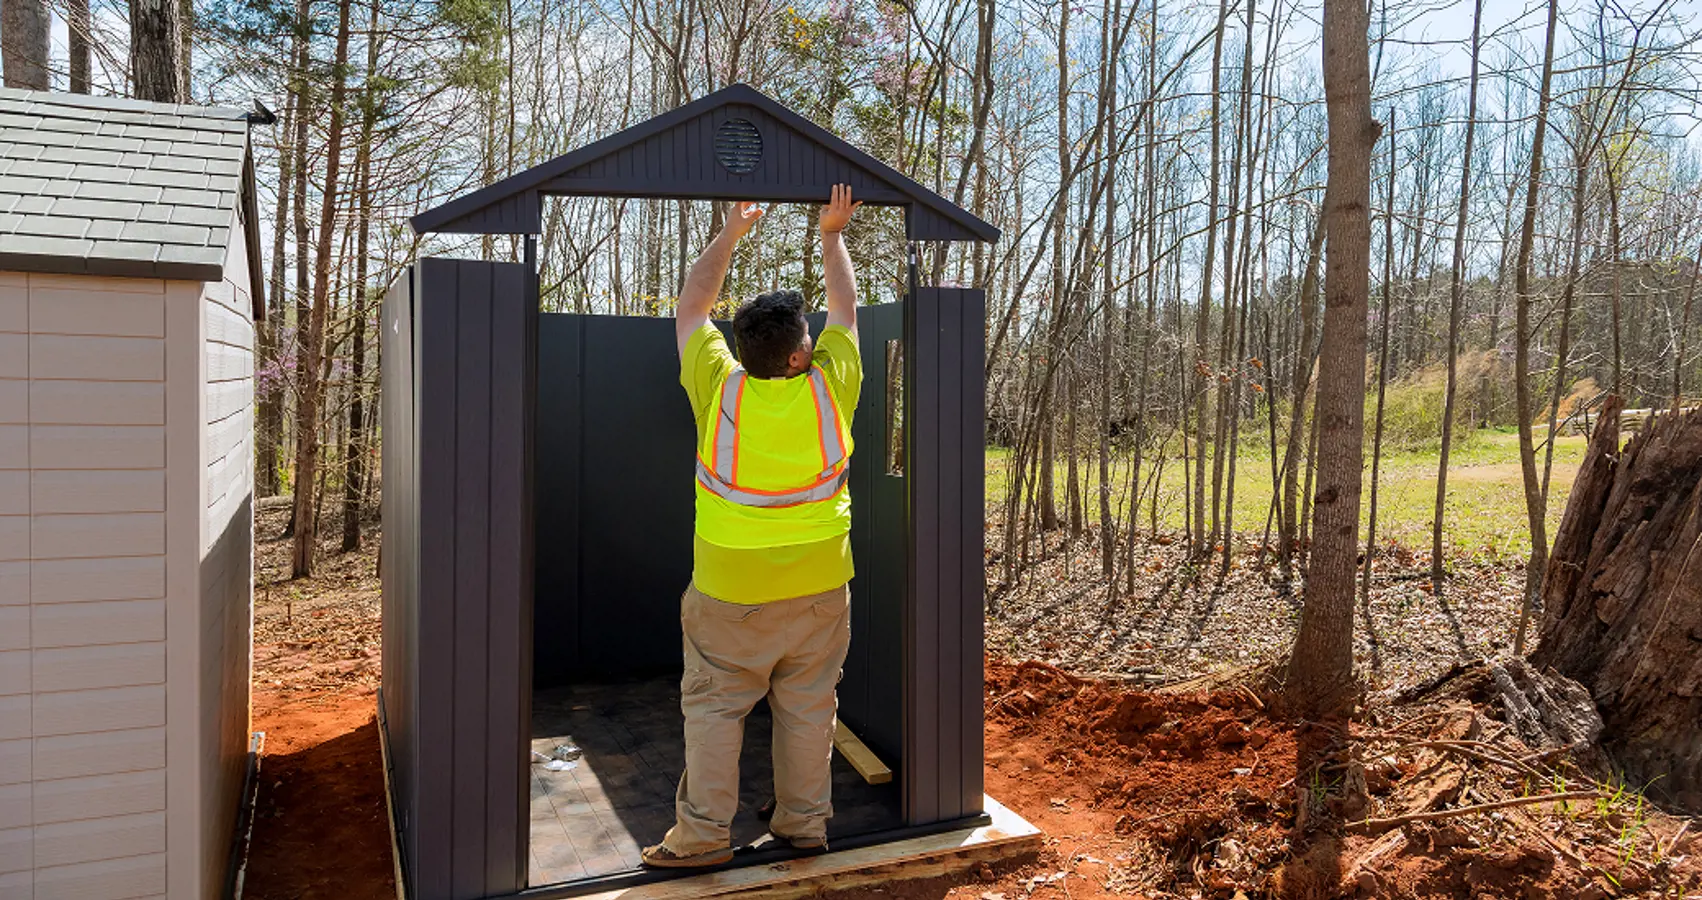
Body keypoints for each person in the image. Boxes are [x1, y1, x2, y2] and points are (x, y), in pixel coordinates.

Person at [642, 185, 865, 869]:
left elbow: (691, 307)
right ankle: (803, 825)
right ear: (802, 355)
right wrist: (831, 235)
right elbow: (848, 309)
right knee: (807, 710)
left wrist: (732, 232)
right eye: (808, 335)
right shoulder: (833, 386)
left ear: (745, 351)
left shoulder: (719, 385)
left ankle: (704, 836)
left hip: (729, 593)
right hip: (823, 587)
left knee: (714, 711)